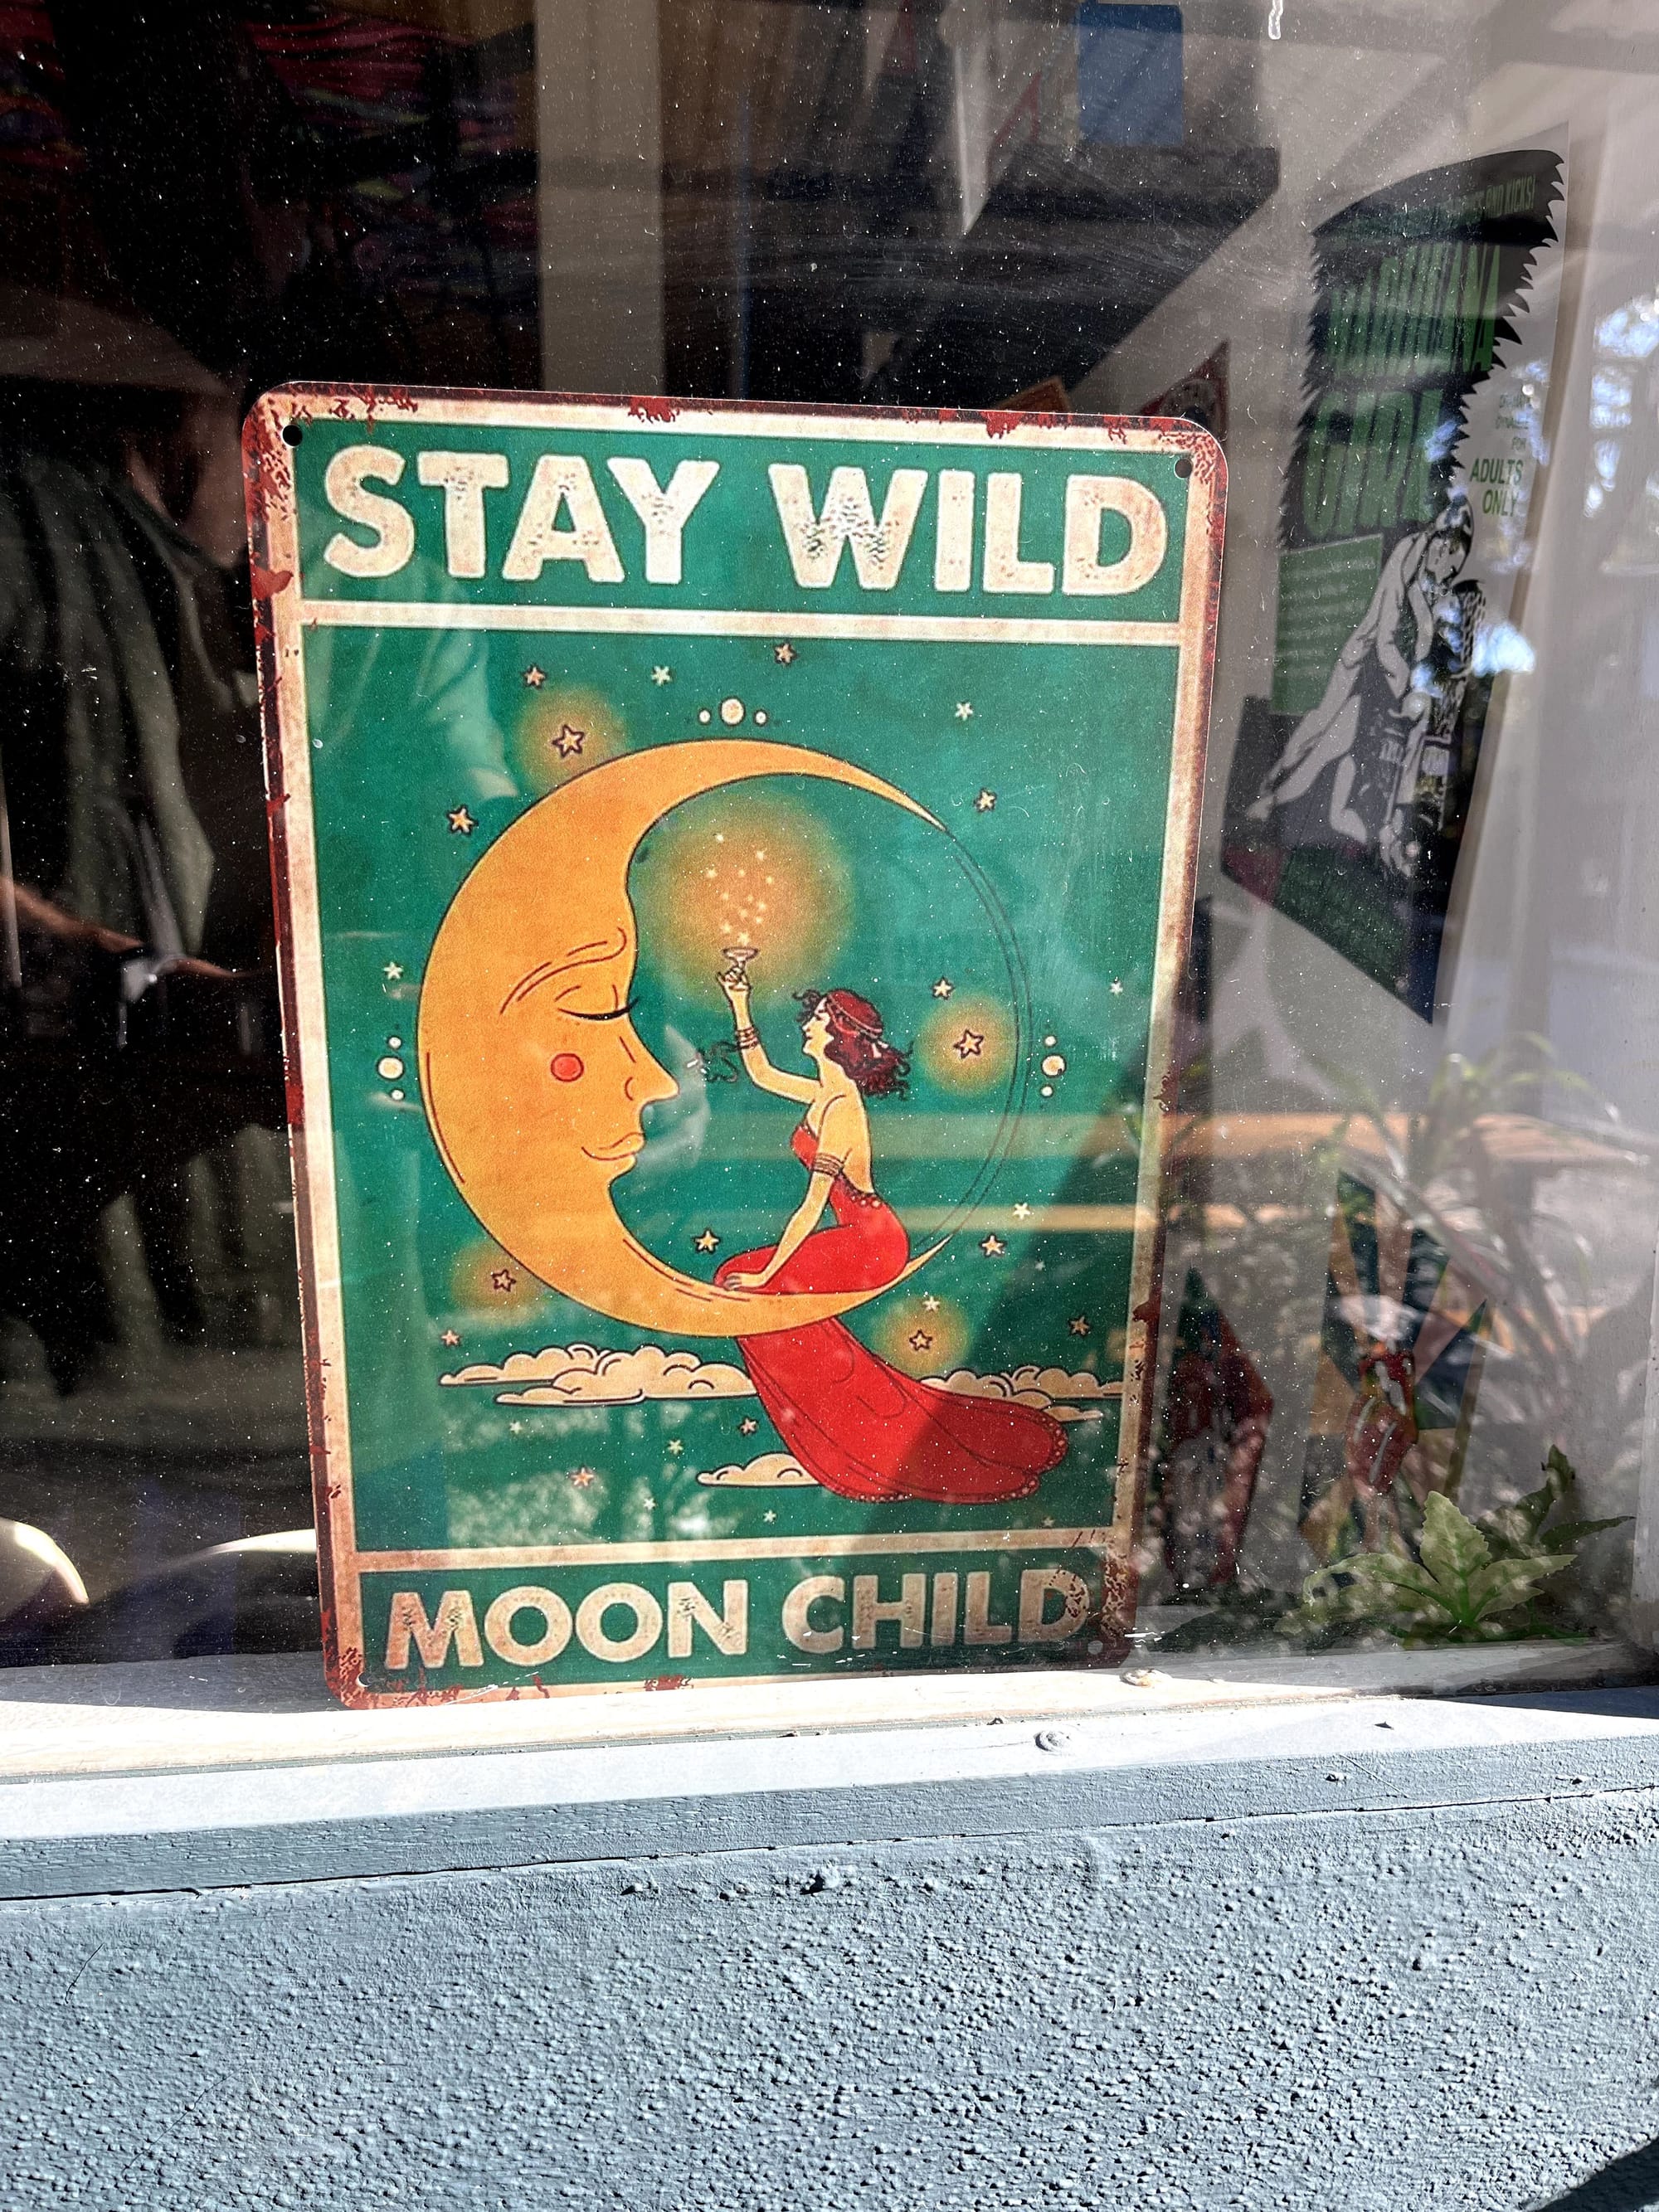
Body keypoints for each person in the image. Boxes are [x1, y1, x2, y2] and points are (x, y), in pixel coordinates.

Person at [713, 963, 1066, 1504]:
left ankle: (850, 1419)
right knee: (742, 1282)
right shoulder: (824, 1094)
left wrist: (766, 1275)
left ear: (838, 1036)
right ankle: (846, 1406)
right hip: (857, 1233)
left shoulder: (841, 1111)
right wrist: (739, 1001)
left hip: (872, 1242)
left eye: (818, 1017)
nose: (807, 1023)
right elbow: (761, 1074)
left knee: (749, 1283)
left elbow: (811, 1206)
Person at [1246, 497, 1476, 863]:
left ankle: (1270, 800)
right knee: (1319, 723)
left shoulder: (1438, 592)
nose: (1444, 563)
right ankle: (1271, 779)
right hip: (1362, 661)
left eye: (1453, 560)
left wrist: (1414, 693)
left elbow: (1425, 651)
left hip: (1386, 688)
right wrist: (1408, 688)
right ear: (1435, 534)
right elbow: (1384, 639)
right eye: (1444, 548)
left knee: (1327, 750)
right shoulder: (1407, 553)